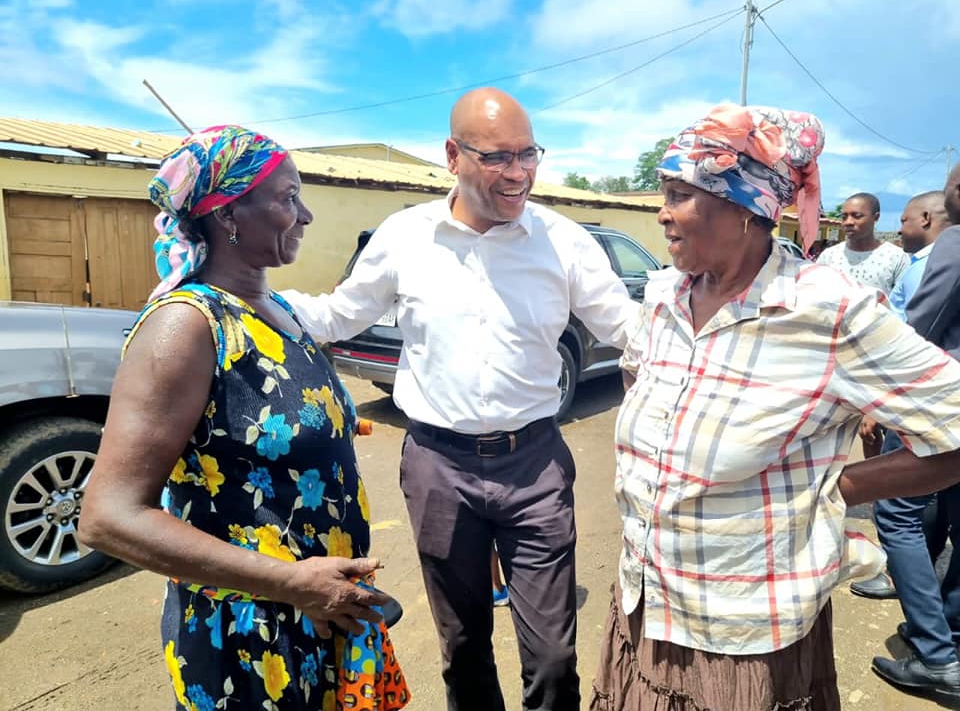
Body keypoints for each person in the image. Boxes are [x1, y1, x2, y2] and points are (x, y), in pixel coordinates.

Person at [591, 103, 960, 710]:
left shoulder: (826, 310)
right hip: (647, 598)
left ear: (746, 209)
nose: (661, 212)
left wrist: (835, 487)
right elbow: (644, 396)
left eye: (681, 194)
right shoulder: (664, 295)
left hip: (744, 627)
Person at [283, 87, 638, 711]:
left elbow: (628, 329)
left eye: (530, 154)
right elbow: (338, 315)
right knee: (464, 643)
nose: (520, 173)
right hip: (438, 466)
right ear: (453, 155)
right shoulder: (405, 236)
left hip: (534, 465)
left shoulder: (563, 241)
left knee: (554, 656)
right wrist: (242, 296)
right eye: (500, 157)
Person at [78, 126, 410, 711]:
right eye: (288, 197)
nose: (305, 215)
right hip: (249, 640)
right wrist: (290, 583)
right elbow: (108, 517)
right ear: (228, 213)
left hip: (322, 616)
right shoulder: (186, 325)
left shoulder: (278, 310)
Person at [872, 171, 960, 695]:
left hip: (940, 405)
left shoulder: (955, 242)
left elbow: (921, 327)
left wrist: (879, 397)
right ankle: (949, 629)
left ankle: (935, 655)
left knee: (897, 512)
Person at [851, 191, 953, 603]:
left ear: (927, 218)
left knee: (898, 511)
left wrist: (879, 403)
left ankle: (931, 643)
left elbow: (915, 335)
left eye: (906, 220)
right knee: (940, 502)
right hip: (929, 399)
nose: (901, 228)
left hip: (916, 398)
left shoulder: (929, 266)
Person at [819, 194, 910, 460]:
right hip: (833, 353)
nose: (848, 222)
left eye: (856, 216)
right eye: (844, 216)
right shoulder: (828, 257)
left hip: (877, 355)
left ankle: (875, 491)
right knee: (827, 424)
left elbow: (903, 308)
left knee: (871, 429)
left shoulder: (896, 259)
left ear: (876, 218)